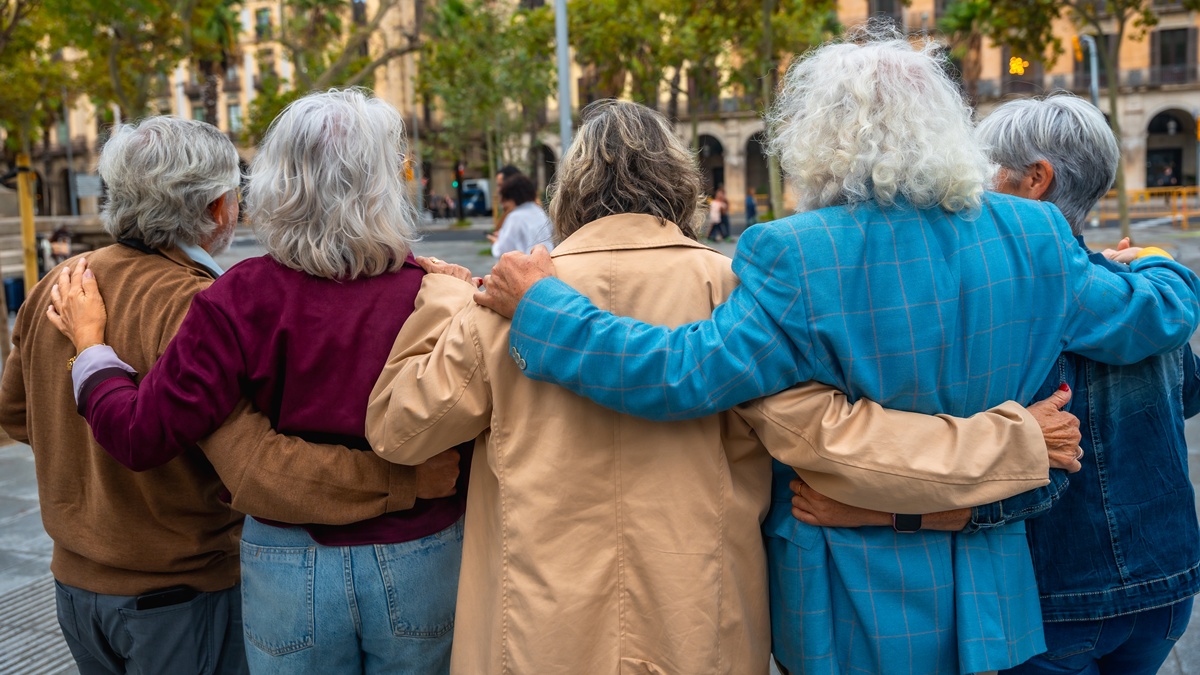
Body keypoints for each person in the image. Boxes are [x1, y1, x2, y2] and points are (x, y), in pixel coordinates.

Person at [472, 36, 1200, 675]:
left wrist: (544, 307)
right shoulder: (1035, 234)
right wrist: (1158, 263)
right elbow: (1143, 320)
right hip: (991, 592)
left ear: (814, 138)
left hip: (849, 594)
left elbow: (678, 374)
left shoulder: (795, 254)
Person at [364, 99, 1084, 674]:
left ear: (568, 191)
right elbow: (831, 438)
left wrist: (443, 298)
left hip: (536, 633)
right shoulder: (734, 290)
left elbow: (399, 428)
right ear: (682, 185)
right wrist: (1015, 438)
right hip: (697, 626)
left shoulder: (508, 295)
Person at [0, 117, 452, 675]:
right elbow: (259, 469)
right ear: (220, 208)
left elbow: (18, 416)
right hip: (179, 595)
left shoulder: (61, 283)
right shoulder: (195, 303)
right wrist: (408, 481)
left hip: (74, 588)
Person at [786, 94, 1200, 675]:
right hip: (1167, 590)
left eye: (988, 171)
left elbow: (1016, 485)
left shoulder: (1011, 307)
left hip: (1053, 603)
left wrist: (875, 514)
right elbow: (1187, 394)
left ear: (1035, 179)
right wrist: (1156, 262)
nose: (971, 189)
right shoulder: (1140, 292)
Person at [487, 174, 553, 256]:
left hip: (527, 264)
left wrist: (496, 243)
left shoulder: (515, 217)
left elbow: (503, 250)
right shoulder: (539, 211)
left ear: (511, 197)